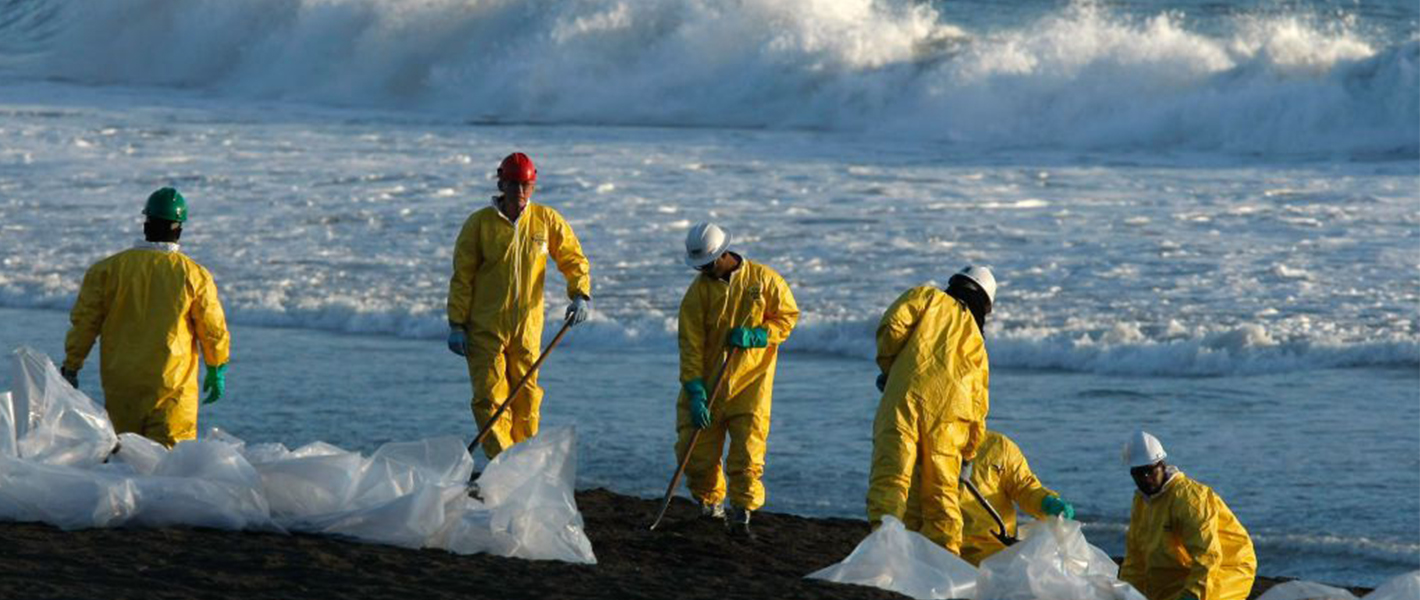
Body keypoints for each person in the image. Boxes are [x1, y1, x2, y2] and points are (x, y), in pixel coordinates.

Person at [447, 152, 592, 460]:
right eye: (513, 184)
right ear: (501, 183)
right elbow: (463, 276)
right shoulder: (479, 224)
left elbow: (572, 258)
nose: (520, 192)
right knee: (489, 398)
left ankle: (523, 462)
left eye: (526, 185)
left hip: (527, 327)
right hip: (486, 326)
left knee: (526, 399)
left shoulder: (546, 220)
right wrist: (456, 323)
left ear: (533, 185)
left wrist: (580, 293)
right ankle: (502, 462)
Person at [62, 187, 230, 447]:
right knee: (170, 466)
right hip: (173, 389)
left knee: (125, 460)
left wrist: (72, 365)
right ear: (179, 228)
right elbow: (213, 329)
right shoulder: (193, 275)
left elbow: (85, 323)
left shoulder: (107, 270)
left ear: (146, 224)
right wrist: (216, 367)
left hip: (122, 384)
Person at [675, 222, 798, 537]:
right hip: (708, 386)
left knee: (747, 455)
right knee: (696, 455)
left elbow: (787, 316)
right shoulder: (697, 294)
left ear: (721, 255)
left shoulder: (763, 280)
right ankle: (710, 506)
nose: (701, 271)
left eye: (705, 265)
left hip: (751, 385)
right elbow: (690, 346)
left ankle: (742, 514)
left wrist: (759, 335)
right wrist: (695, 389)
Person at [866, 265, 996, 554]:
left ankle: (882, 550)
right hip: (952, 421)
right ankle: (944, 561)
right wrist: (970, 453)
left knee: (892, 477)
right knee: (942, 496)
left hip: (905, 400)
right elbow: (979, 403)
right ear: (984, 304)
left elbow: (892, 327)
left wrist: (891, 369)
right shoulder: (978, 342)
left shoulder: (927, 297)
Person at [1120, 431, 1257, 600]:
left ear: (1162, 465)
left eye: (1149, 471)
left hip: (1227, 569)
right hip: (1183, 572)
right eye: (1138, 473)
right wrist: (1123, 593)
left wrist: (1192, 595)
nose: (1145, 478)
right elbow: (1135, 560)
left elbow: (1208, 555)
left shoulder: (1189, 499)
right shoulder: (1142, 502)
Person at [948, 429, 1076, 565]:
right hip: (937, 552)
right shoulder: (927, 447)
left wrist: (1045, 501)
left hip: (992, 555)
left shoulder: (997, 447)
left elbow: (1024, 487)